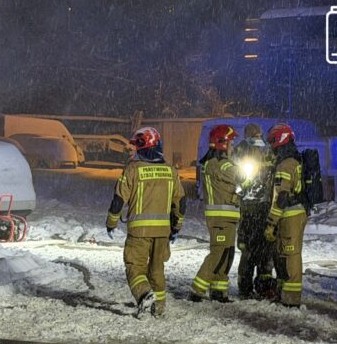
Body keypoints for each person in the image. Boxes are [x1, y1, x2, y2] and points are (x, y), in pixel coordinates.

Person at [107, 126, 186, 318]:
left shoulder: (133, 169)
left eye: (135, 146)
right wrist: (176, 227)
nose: (132, 150)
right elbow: (181, 201)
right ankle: (158, 308)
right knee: (157, 270)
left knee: (134, 266)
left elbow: (119, 199)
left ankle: (144, 294)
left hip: (139, 232)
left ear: (143, 146)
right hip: (163, 233)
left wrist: (111, 222)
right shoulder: (170, 171)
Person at [191, 124, 240, 302]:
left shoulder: (216, 163)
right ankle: (197, 290)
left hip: (227, 216)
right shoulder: (219, 164)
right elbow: (241, 177)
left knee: (227, 252)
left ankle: (219, 291)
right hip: (221, 217)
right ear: (223, 144)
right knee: (218, 253)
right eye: (231, 143)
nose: (233, 147)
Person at [263, 123, 308, 307]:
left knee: (290, 254)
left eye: (272, 141)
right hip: (291, 213)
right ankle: (284, 291)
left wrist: (271, 223)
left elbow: (280, 197)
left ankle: (291, 297)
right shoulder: (291, 160)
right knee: (284, 252)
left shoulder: (285, 164)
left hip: (290, 214)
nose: (271, 146)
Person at [233, 123, 276, 298]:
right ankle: (263, 284)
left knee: (248, 247)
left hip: (249, 205)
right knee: (265, 247)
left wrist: (241, 189)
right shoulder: (270, 149)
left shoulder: (241, 148)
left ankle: (245, 286)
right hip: (265, 204)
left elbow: (236, 174)